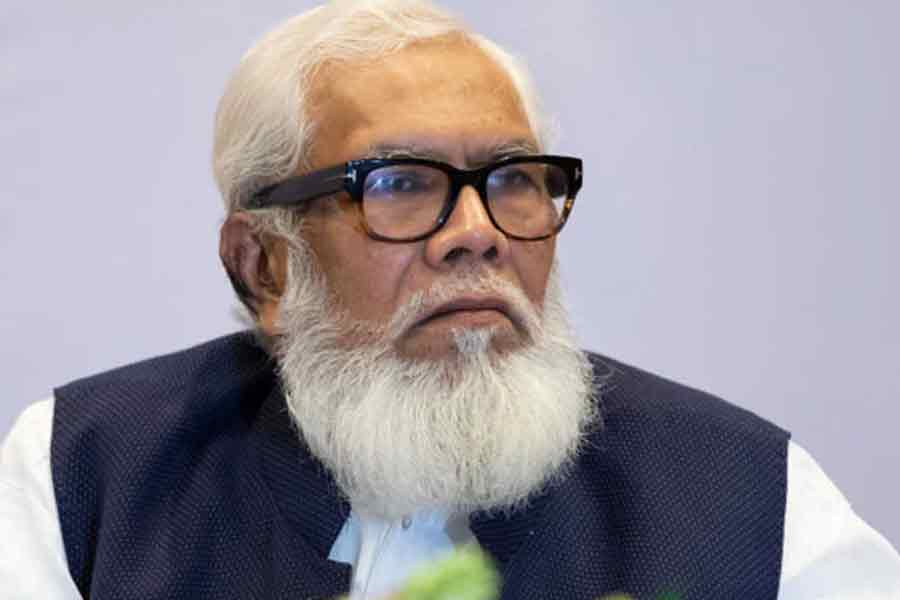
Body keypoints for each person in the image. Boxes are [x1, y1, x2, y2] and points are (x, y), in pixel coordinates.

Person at [2, 1, 899, 598]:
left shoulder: (744, 492)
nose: (477, 232)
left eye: (513, 179)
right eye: (399, 183)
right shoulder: (86, 473)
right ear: (264, 267)